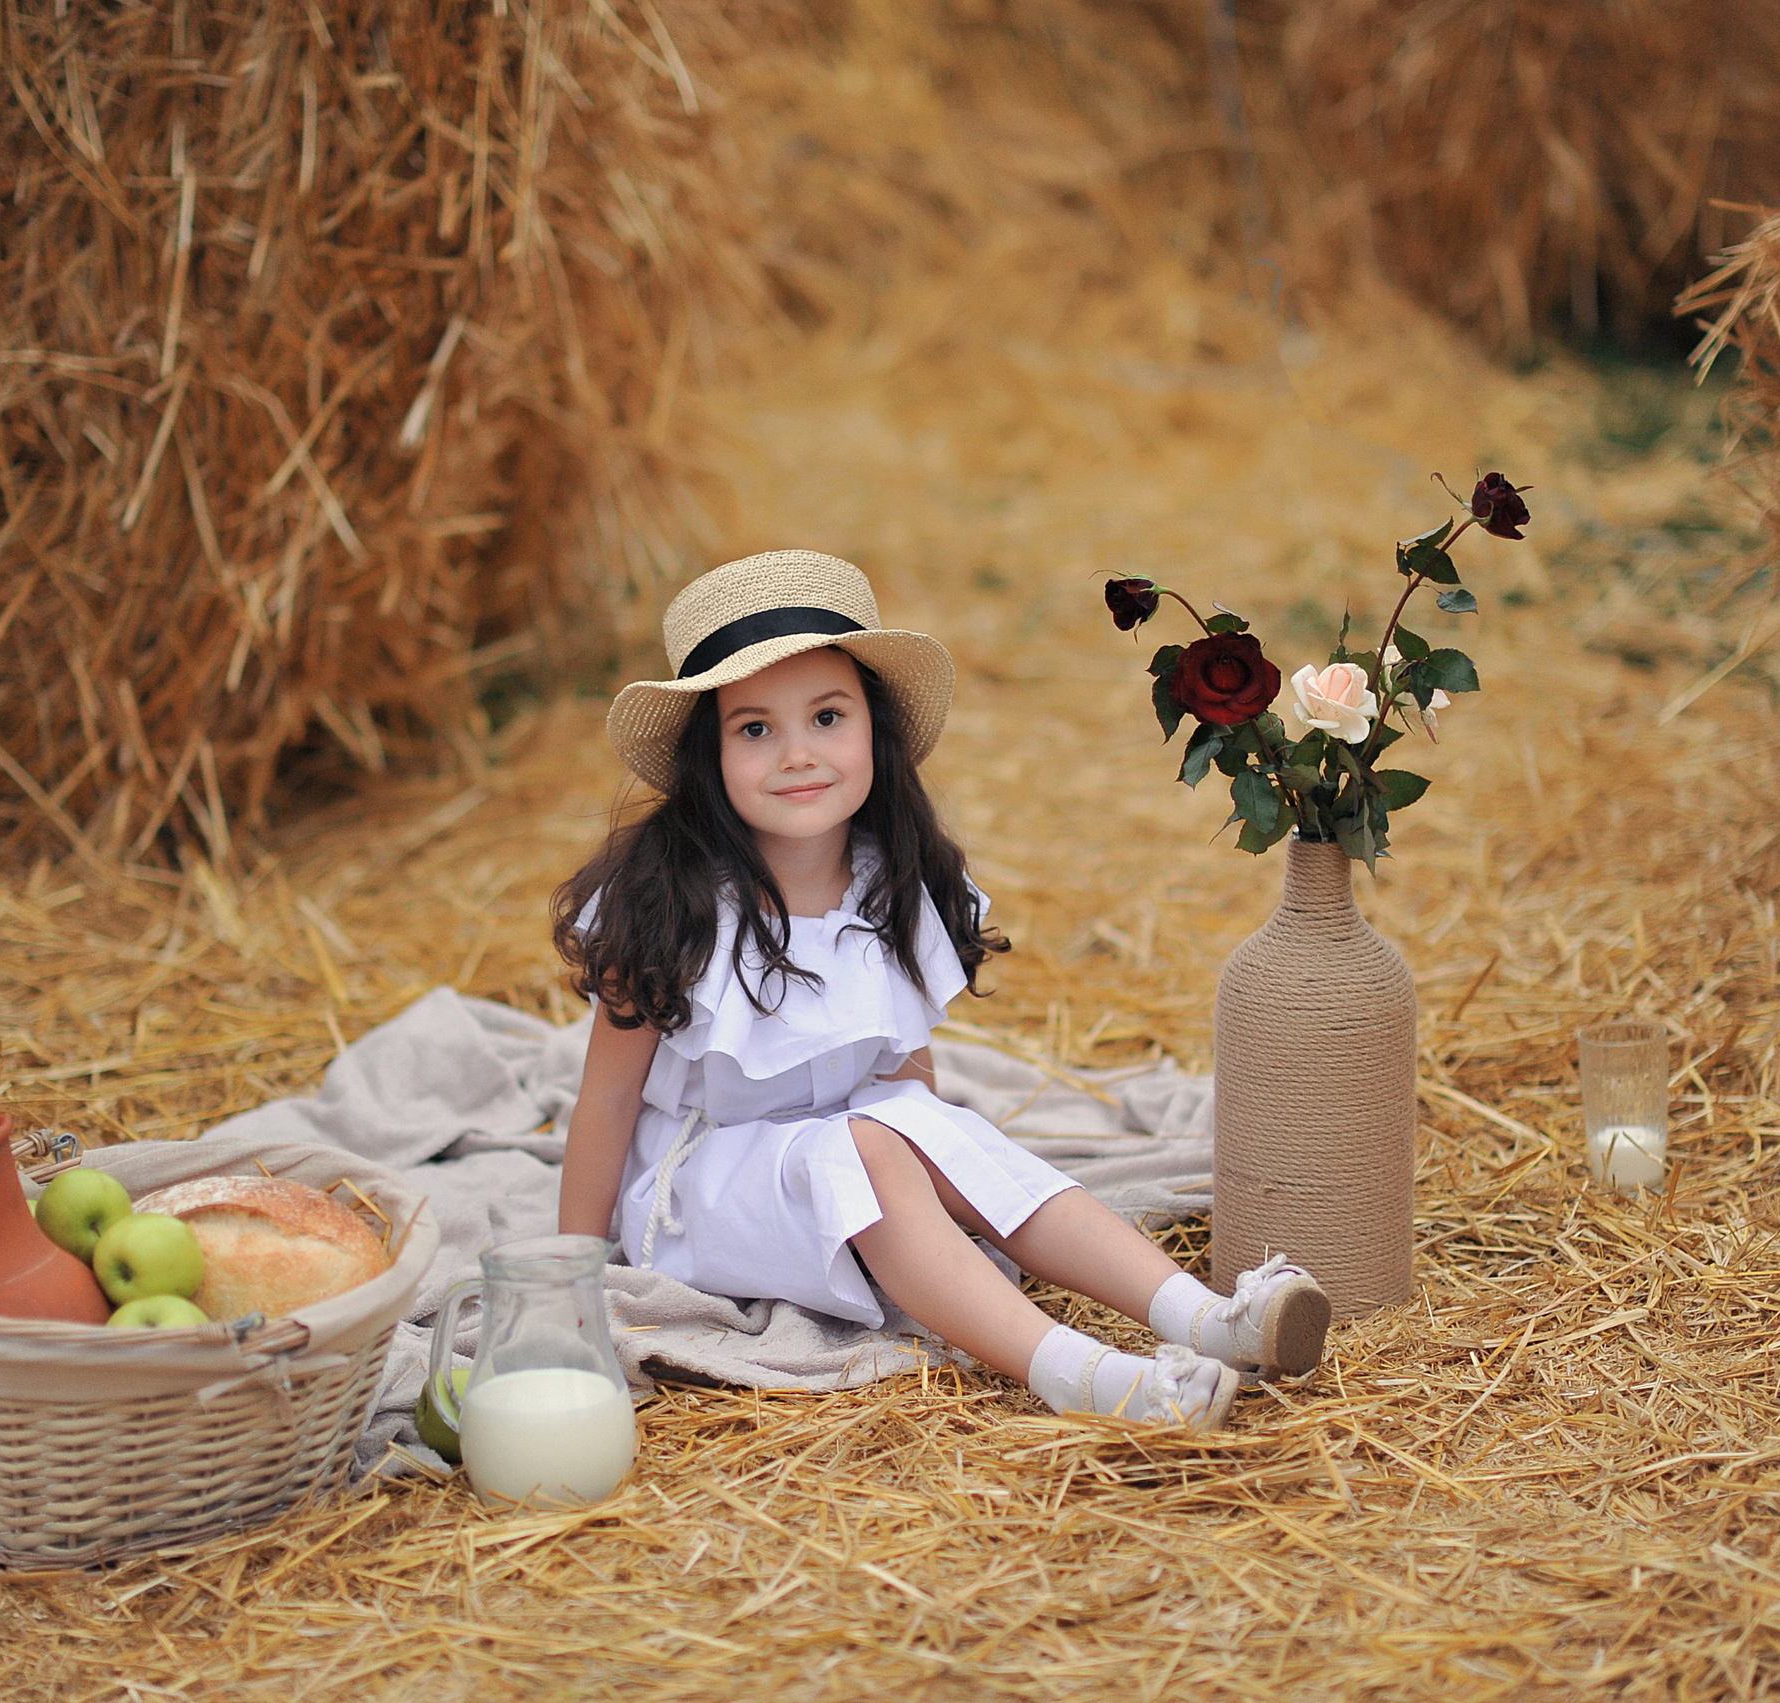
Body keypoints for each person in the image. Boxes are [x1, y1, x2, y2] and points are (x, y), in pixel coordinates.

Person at [552, 550, 1330, 1429]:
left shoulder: (895, 879)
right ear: (710, 755)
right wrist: (572, 1278)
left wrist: (945, 1181)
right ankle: (1084, 1376)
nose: (798, 754)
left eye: (827, 717)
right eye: (755, 728)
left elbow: (905, 1079)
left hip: (846, 1160)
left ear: (873, 730)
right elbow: (607, 1101)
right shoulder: (669, 905)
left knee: (939, 1130)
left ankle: (1204, 1316)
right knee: (874, 1147)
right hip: (699, 1192)